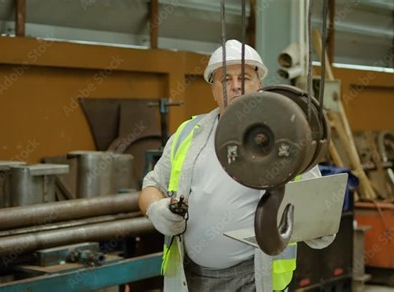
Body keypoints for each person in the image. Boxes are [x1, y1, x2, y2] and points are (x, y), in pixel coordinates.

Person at [139, 39, 335, 292]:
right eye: (225, 79)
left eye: (244, 77)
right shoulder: (188, 133)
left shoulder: (286, 136)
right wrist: (156, 208)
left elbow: (317, 213)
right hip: (189, 278)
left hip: (255, 278)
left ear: (259, 84)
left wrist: (319, 224)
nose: (235, 86)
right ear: (213, 88)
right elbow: (151, 185)